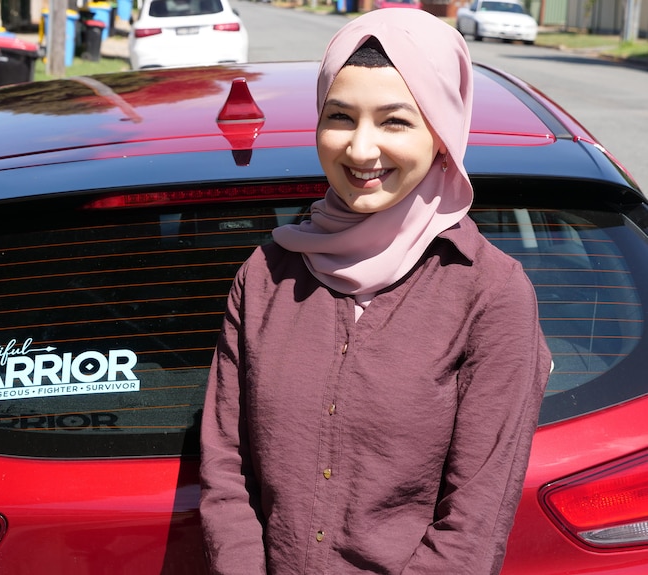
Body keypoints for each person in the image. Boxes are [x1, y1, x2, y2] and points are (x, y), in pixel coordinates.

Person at [198, 9, 552, 575]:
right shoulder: (266, 274)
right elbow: (225, 471)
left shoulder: (491, 293)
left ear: (441, 134)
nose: (361, 151)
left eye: (395, 122)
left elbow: (471, 528)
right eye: (340, 117)